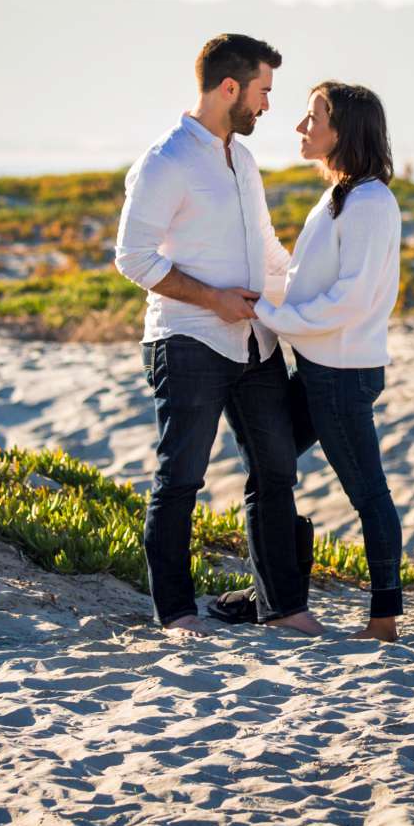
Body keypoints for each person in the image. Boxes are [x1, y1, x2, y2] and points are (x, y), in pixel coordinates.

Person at [113, 33, 319, 638]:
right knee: (181, 477)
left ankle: (284, 607)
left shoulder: (244, 159)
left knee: (277, 471)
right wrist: (214, 300)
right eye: (263, 92)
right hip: (188, 340)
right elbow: (133, 258)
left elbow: (266, 248)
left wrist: (318, 292)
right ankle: (176, 613)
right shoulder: (165, 161)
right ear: (230, 88)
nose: (267, 106)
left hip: (255, 344)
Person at [254, 81, 407, 642]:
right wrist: (261, 299)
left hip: (342, 377)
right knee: (266, 469)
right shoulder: (342, 193)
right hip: (318, 370)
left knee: (368, 494)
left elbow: (352, 298)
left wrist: (274, 318)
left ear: (343, 130)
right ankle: (278, 592)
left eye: (313, 117)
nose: (301, 126)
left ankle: (384, 620)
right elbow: (306, 280)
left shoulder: (370, 201)